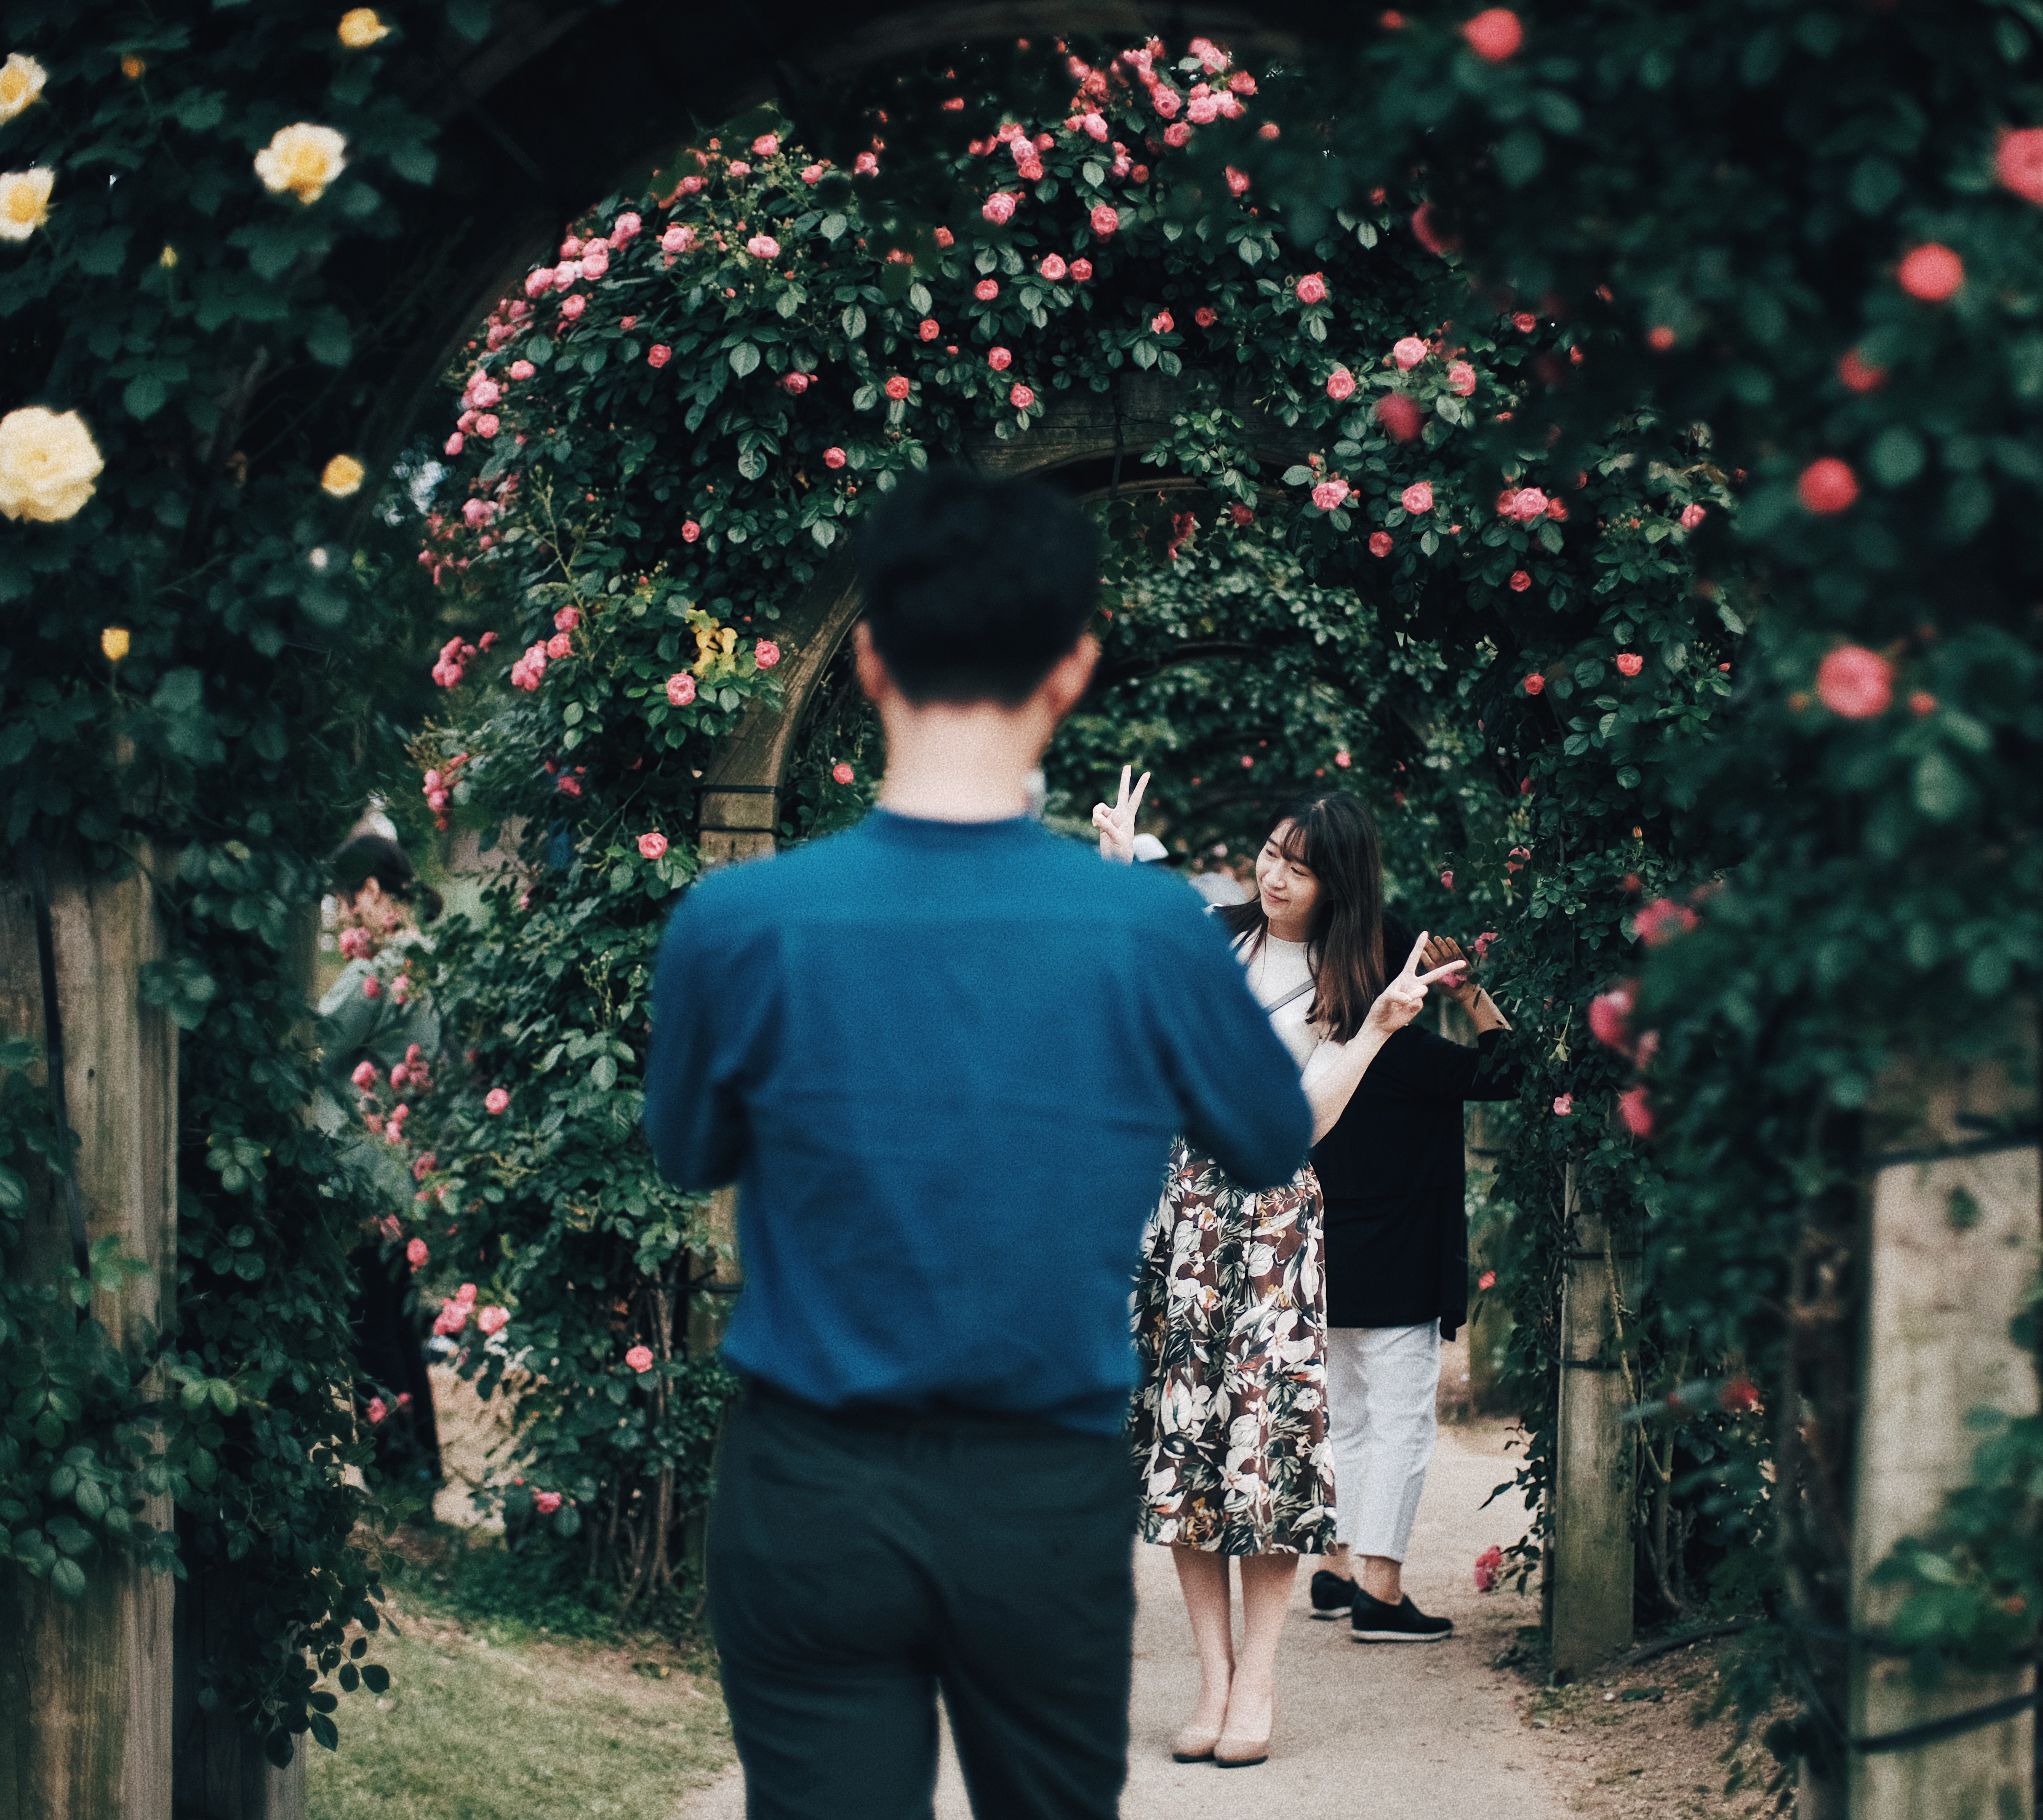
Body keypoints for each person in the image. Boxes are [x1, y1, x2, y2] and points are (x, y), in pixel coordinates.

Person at [641, 468, 1316, 1820]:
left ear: (870, 659)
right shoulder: (1150, 932)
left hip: (810, 1485)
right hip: (1039, 1492)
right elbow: (1265, 1136)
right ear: (1071, 671)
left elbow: (689, 1152)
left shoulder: (736, 922)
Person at [1099, 785, 1463, 1768]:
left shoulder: (1350, 982)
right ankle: (1212, 1680)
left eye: (1299, 867)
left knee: (1265, 1454)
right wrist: (1121, 868)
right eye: (1269, 853)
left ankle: (1257, 1678)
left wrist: (1378, 1030)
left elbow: (1307, 1121)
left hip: (1272, 1223)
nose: (1273, 875)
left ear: (1336, 882)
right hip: (1180, 1216)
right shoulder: (1215, 940)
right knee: (1188, 1451)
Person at [1307, 920, 1518, 1641]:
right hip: (1399, 1265)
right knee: (1401, 1425)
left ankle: (1337, 1568)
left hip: (1328, 1265)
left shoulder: (1325, 1048)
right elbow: (1510, 1071)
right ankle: (1381, 1590)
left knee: (1345, 1421)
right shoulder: (1408, 1053)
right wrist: (1472, 991)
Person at [314, 830, 446, 1490]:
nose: (343, 917)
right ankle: (422, 1469)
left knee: (371, 1330)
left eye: (344, 900)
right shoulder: (428, 961)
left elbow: (309, 1041)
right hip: (409, 1168)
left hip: (366, 1178)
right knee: (396, 1324)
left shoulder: (377, 973)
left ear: (370, 892)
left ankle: (400, 1474)